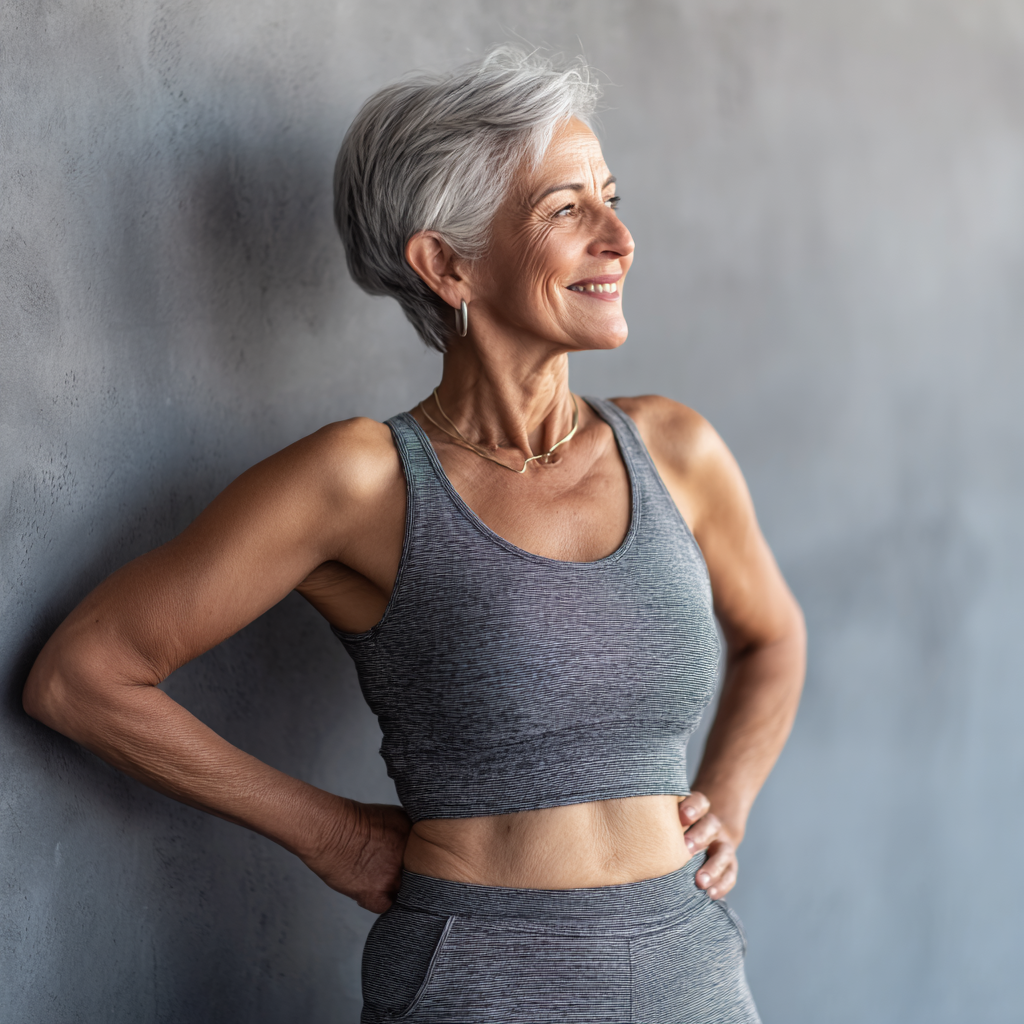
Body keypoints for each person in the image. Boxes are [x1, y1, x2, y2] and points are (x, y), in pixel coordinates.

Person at [23, 47, 806, 1023]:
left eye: (610, 197)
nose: (620, 237)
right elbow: (80, 676)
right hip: (476, 981)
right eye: (567, 208)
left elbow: (772, 635)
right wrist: (332, 835)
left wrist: (724, 794)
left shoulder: (675, 449)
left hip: (691, 972)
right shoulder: (361, 481)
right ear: (447, 263)